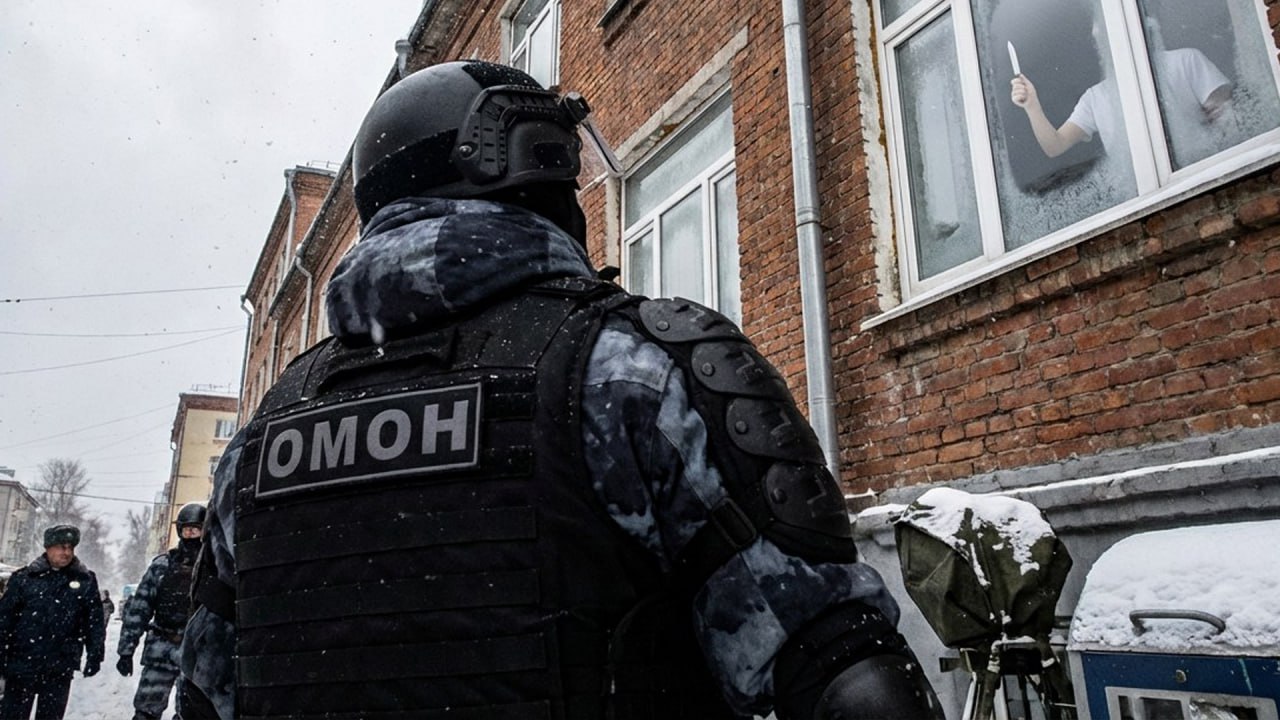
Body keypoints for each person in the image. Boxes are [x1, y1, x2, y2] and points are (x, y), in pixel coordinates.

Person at [179, 60, 943, 720]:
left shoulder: (259, 440)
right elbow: (841, 670)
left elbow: (206, 694)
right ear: (533, 171)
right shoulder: (633, 370)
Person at [1010, 16, 1232, 159]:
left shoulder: (1185, 60)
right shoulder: (1095, 98)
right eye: (1098, 36)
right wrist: (1032, 106)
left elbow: (1228, 123)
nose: (1100, 38)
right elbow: (1056, 146)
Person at [0, 525, 105, 720]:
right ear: (48, 548)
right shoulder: (24, 578)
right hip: (22, 664)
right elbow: (4, 620)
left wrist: (95, 654)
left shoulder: (85, 580)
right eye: (60, 547)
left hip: (60, 666)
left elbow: (93, 621)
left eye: (70, 547)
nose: (66, 552)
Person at [118, 503, 206, 720]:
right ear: (180, 531)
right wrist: (126, 650)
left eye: (196, 530)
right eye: (187, 530)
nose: (191, 535)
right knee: (146, 712)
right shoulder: (162, 566)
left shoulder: (211, 569)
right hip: (161, 648)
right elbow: (139, 609)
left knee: (191, 714)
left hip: (196, 653)